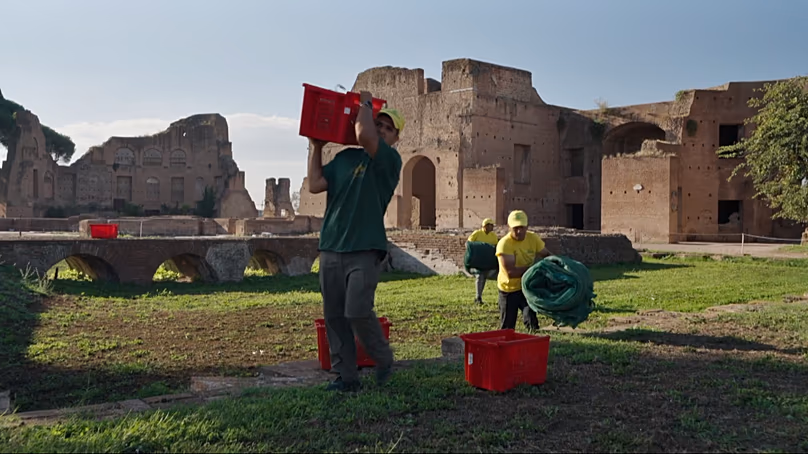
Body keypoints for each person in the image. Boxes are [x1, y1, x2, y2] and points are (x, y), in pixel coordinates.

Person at [306, 91, 405, 393]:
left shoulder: (389, 160)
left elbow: (363, 133)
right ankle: (346, 377)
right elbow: (315, 184)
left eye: (388, 128)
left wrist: (364, 102)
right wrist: (315, 147)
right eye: (379, 123)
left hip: (365, 247)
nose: (381, 129)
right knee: (334, 316)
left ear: (395, 137)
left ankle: (383, 359)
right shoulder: (345, 158)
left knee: (357, 310)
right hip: (331, 246)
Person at [495, 210, 552, 332]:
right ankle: (506, 345)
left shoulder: (533, 239)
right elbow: (511, 273)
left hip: (526, 286)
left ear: (527, 226)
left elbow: (546, 255)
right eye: (515, 228)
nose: (519, 231)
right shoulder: (504, 244)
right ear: (509, 227)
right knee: (508, 326)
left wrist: (557, 266)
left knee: (531, 318)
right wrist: (534, 269)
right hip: (509, 289)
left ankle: (534, 341)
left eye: (522, 227)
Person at [466, 218, 498, 304]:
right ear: (486, 226)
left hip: (488, 263)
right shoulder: (477, 234)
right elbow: (469, 245)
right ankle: (478, 297)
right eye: (490, 225)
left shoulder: (493, 236)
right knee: (480, 276)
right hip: (477, 263)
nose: (492, 227)